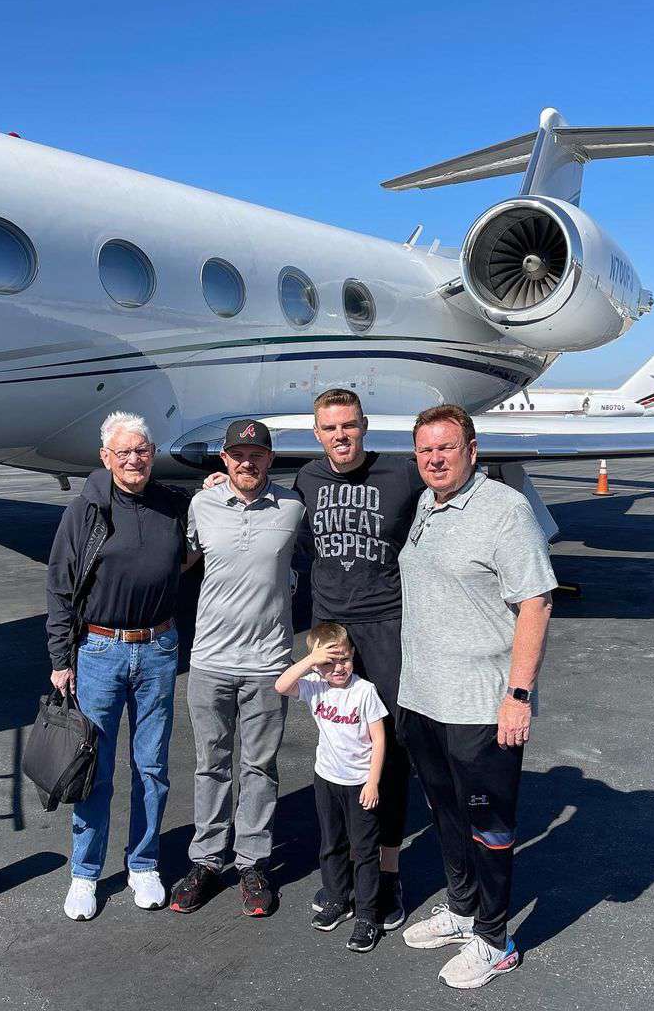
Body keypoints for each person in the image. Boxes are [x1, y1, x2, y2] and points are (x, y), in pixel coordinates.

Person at [398, 404, 556, 989]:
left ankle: (495, 938)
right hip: (425, 697)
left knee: (489, 824)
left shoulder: (504, 510)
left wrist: (518, 694)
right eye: (425, 451)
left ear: (471, 449)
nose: (435, 459)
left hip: (481, 702)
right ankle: (463, 910)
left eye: (446, 447)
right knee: (446, 814)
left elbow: (536, 601)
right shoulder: (425, 505)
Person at [46, 411, 190, 922]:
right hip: (100, 652)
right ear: (105, 458)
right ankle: (85, 873)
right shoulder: (84, 511)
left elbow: (195, 548)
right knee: (95, 769)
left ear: (153, 454)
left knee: (152, 767)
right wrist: (60, 659)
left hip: (157, 647)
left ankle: (143, 863)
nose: (134, 459)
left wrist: (216, 482)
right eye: (123, 452)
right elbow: (61, 588)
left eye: (142, 450)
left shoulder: (174, 504)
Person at [292, 388, 422, 929]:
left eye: (348, 425)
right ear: (317, 433)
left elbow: (448, 492)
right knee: (336, 746)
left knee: (385, 754)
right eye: (329, 428)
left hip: (384, 629)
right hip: (331, 634)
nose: (340, 436)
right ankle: (344, 877)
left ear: (364, 425)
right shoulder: (306, 479)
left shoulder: (402, 474)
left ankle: (386, 876)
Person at [169, 419, 305, 917]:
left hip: (269, 662)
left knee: (259, 766)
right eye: (237, 455)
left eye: (257, 454)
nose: (247, 462)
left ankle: (252, 861)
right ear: (223, 460)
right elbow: (181, 559)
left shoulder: (293, 507)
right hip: (209, 660)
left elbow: (318, 557)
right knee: (211, 763)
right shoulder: (201, 504)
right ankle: (206, 860)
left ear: (270, 458)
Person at [275, 622, 388, 953]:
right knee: (331, 844)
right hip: (326, 779)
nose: (338, 669)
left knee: (365, 851)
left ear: (352, 654)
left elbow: (380, 739)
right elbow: (281, 685)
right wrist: (311, 661)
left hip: (359, 784)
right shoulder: (314, 686)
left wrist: (372, 781)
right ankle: (338, 899)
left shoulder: (364, 691)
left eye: (343, 660)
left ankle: (368, 916)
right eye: (329, 663)